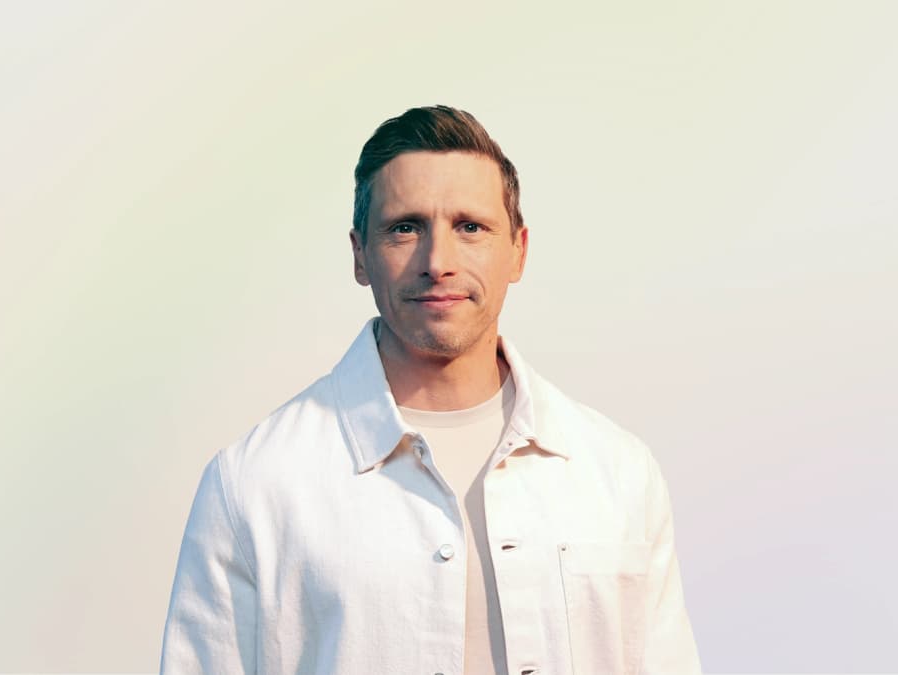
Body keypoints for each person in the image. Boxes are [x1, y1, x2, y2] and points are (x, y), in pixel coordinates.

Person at [160, 105, 701, 675]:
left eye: (470, 227)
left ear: (518, 251)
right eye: (405, 228)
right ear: (360, 255)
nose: (438, 262)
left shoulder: (619, 471)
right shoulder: (255, 484)